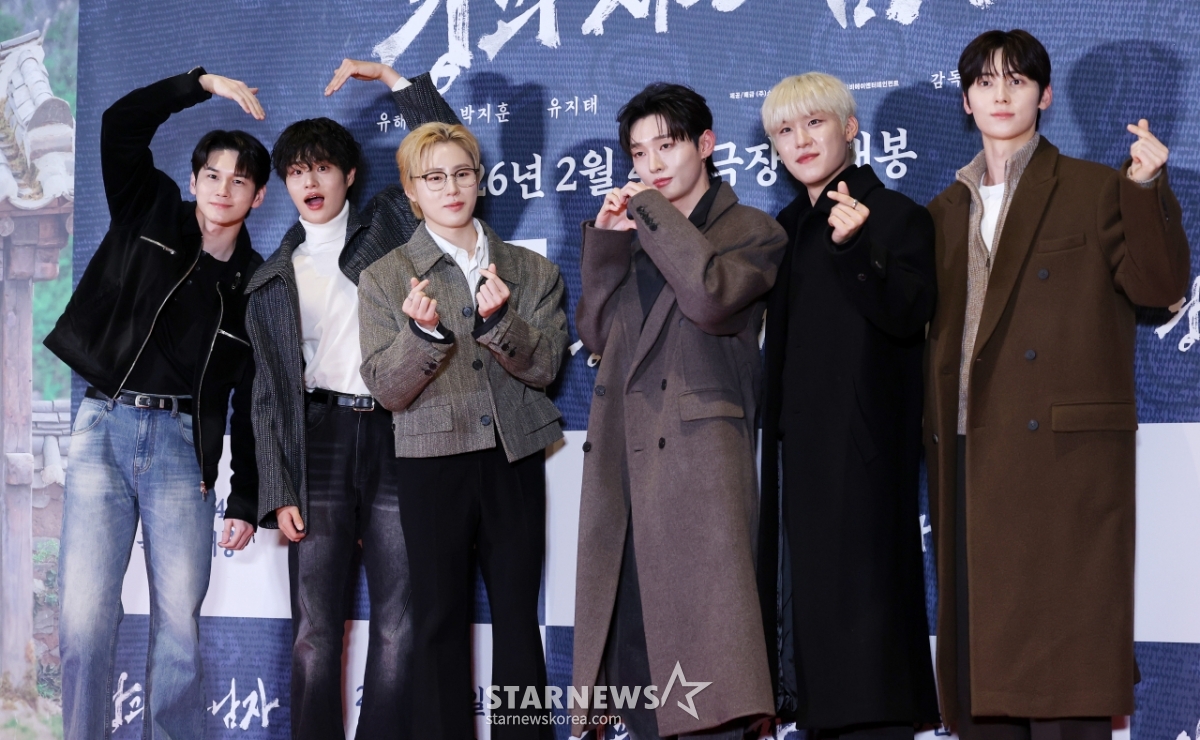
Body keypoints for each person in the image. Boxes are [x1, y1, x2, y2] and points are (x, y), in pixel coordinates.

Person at [924, 29, 1190, 740]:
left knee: (1065, 680)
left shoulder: (1097, 187)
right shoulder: (942, 211)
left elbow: (1160, 286)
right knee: (983, 679)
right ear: (966, 101)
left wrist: (1146, 188)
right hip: (968, 454)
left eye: (1017, 80)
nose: (1000, 94)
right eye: (985, 81)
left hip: (1061, 464)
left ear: (1044, 96)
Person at [45, 68, 267, 739]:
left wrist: (246, 495)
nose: (222, 188)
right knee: (84, 624)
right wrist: (199, 84)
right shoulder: (148, 208)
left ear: (258, 196)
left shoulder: (255, 286)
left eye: (239, 180)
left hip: (181, 453)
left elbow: (253, 399)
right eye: (212, 175)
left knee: (178, 634)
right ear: (194, 180)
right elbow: (119, 124)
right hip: (103, 428)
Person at [245, 59, 458, 740]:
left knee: (399, 622)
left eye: (322, 168)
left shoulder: (390, 225)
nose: (310, 182)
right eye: (296, 172)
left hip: (398, 428)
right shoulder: (272, 275)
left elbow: (443, 153)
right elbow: (267, 396)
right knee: (314, 627)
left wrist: (393, 79)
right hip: (320, 440)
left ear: (350, 175)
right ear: (284, 184)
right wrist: (278, 486)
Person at [571, 82, 787, 739]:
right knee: (635, 645)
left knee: (708, 659)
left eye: (666, 145)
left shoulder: (753, 230)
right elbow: (597, 336)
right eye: (639, 153)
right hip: (625, 457)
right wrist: (608, 245)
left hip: (700, 464)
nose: (653, 164)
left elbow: (711, 298)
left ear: (706, 144)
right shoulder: (638, 234)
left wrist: (649, 211)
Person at [358, 121, 567, 738]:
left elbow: (546, 369)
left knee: (518, 619)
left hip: (513, 458)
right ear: (410, 190)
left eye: (461, 174)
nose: (450, 189)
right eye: (433, 178)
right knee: (437, 620)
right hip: (430, 463)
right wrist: (421, 336)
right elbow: (387, 388)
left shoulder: (530, 270)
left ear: (479, 180)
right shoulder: (385, 277)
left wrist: (502, 323)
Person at [755, 72, 940, 740]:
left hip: (864, 461)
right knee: (807, 643)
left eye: (815, 123)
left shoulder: (898, 216)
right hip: (791, 461)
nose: (800, 141)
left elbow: (911, 314)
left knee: (868, 648)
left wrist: (858, 248)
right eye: (784, 130)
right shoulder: (781, 229)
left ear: (850, 129)